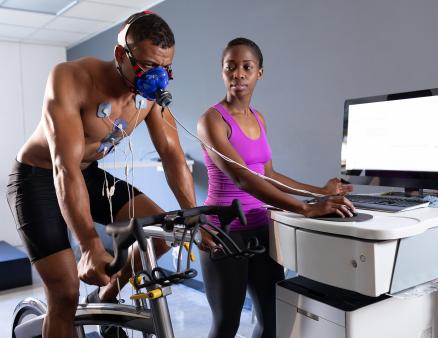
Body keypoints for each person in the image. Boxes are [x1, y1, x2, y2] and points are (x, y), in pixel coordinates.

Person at [6, 11, 196, 338]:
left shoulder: (150, 97)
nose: (159, 78)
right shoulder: (70, 78)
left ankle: (106, 294)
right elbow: (64, 168)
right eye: (149, 66)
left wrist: (193, 215)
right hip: (38, 177)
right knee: (64, 294)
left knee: (163, 231)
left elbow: (172, 155)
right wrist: (90, 244)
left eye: (165, 67)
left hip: (88, 174)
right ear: (121, 55)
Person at [197, 37, 355, 338]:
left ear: (260, 73)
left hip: (260, 228)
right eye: (231, 67)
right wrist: (305, 208)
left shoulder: (259, 119)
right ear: (222, 72)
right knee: (226, 325)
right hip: (224, 231)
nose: (238, 74)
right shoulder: (211, 121)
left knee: (272, 319)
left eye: (247, 67)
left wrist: (321, 191)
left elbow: (267, 174)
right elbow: (243, 178)